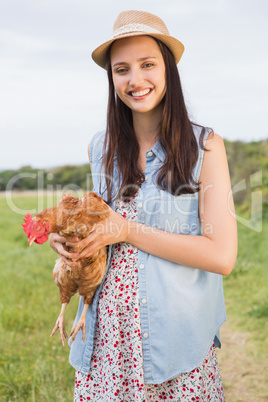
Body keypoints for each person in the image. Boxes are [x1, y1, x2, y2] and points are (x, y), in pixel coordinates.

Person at [49, 10, 237, 401]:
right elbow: (101, 229)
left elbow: (222, 256)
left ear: (167, 69)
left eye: (147, 64)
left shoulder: (205, 147)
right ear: (111, 78)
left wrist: (127, 230)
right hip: (106, 343)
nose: (135, 80)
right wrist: (69, 246)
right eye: (122, 69)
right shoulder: (100, 148)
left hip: (173, 344)